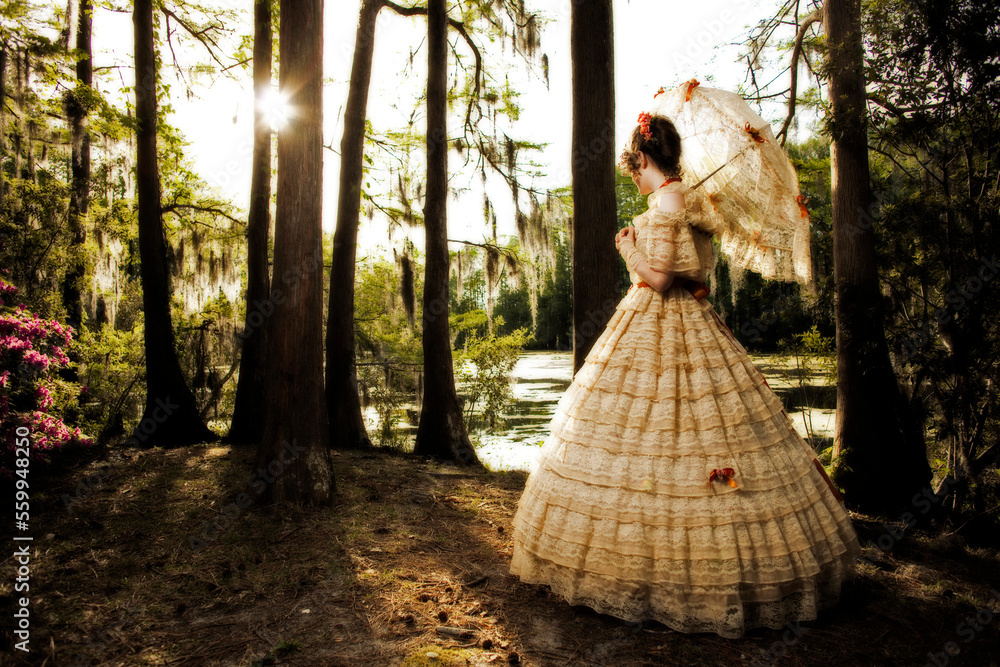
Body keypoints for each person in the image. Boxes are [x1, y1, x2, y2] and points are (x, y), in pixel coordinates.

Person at [508, 113, 861, 639]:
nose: (635, 178)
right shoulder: (684, 199)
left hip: (662, 319)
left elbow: (661, 277)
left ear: (645, 159)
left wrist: (628, 248)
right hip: (677, 320)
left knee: (668, 432)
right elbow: (691, 274)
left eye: (634, 169)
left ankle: (669, 579)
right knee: (659, 436)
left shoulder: (670, 201)